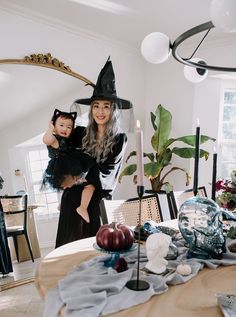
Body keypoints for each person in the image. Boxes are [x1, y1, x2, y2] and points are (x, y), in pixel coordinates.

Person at [55, 57, 133, 248]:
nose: (100, 111)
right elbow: (61, 155)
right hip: (71, 200)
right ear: (91, 110)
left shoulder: (119, 139)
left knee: (96, 250)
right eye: (96, 106)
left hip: (97, 202)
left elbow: (107, 172)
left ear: (113, 110)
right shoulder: (79, 133)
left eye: (106, 106)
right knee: (68, 249)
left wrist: (80, 175)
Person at [42, 108, 95, 223]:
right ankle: (82, 208)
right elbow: (46, 140)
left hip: (67, 168)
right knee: (90, 186)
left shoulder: (69, 140)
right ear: (54, 126)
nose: (65, 129)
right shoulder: (55, 139)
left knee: (69, 187)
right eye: (61, 125)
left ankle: (62, 204)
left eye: (69, 127)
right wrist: (50, 129)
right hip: (63, 168)